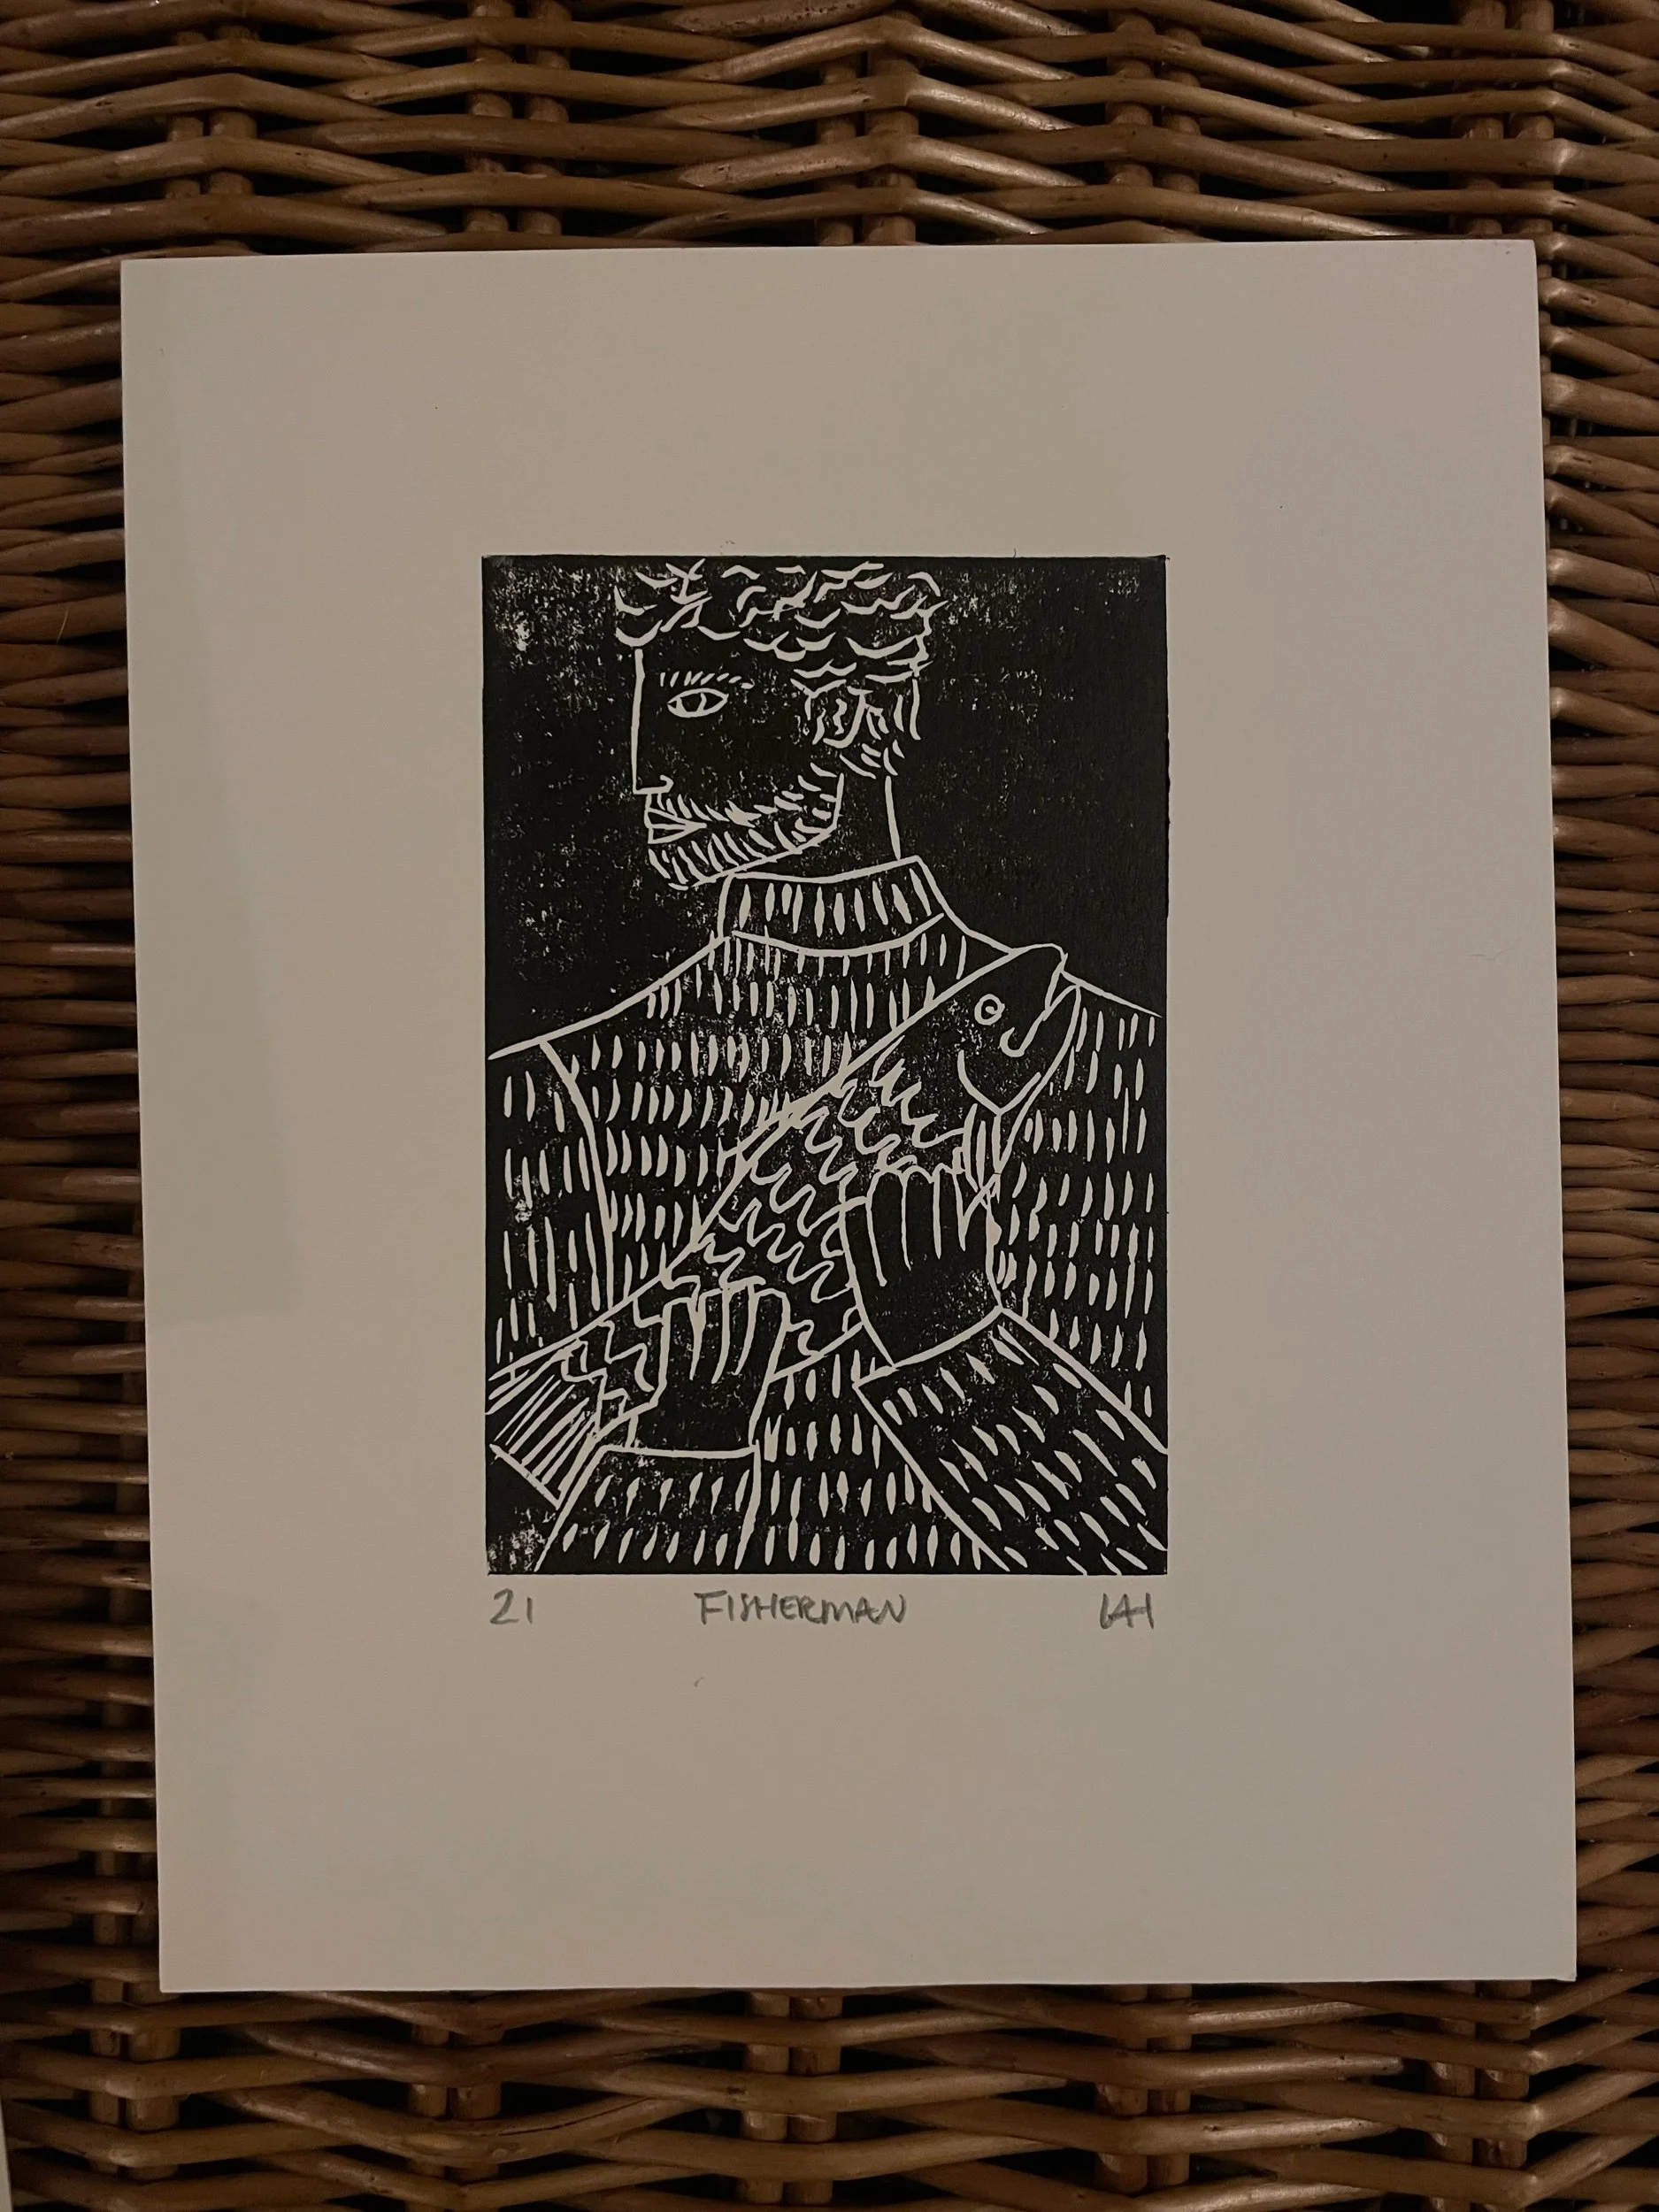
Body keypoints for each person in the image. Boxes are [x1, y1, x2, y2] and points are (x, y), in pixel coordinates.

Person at [487, 560, 1165, 1577]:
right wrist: (681, 1450)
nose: (644, 769)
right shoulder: (549, 1097)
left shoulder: (1115, 1066)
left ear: (847, 713)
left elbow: (1161, 1558)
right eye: (644, 711)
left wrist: (965, 1354)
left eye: (697, 705)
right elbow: (507, 1569)